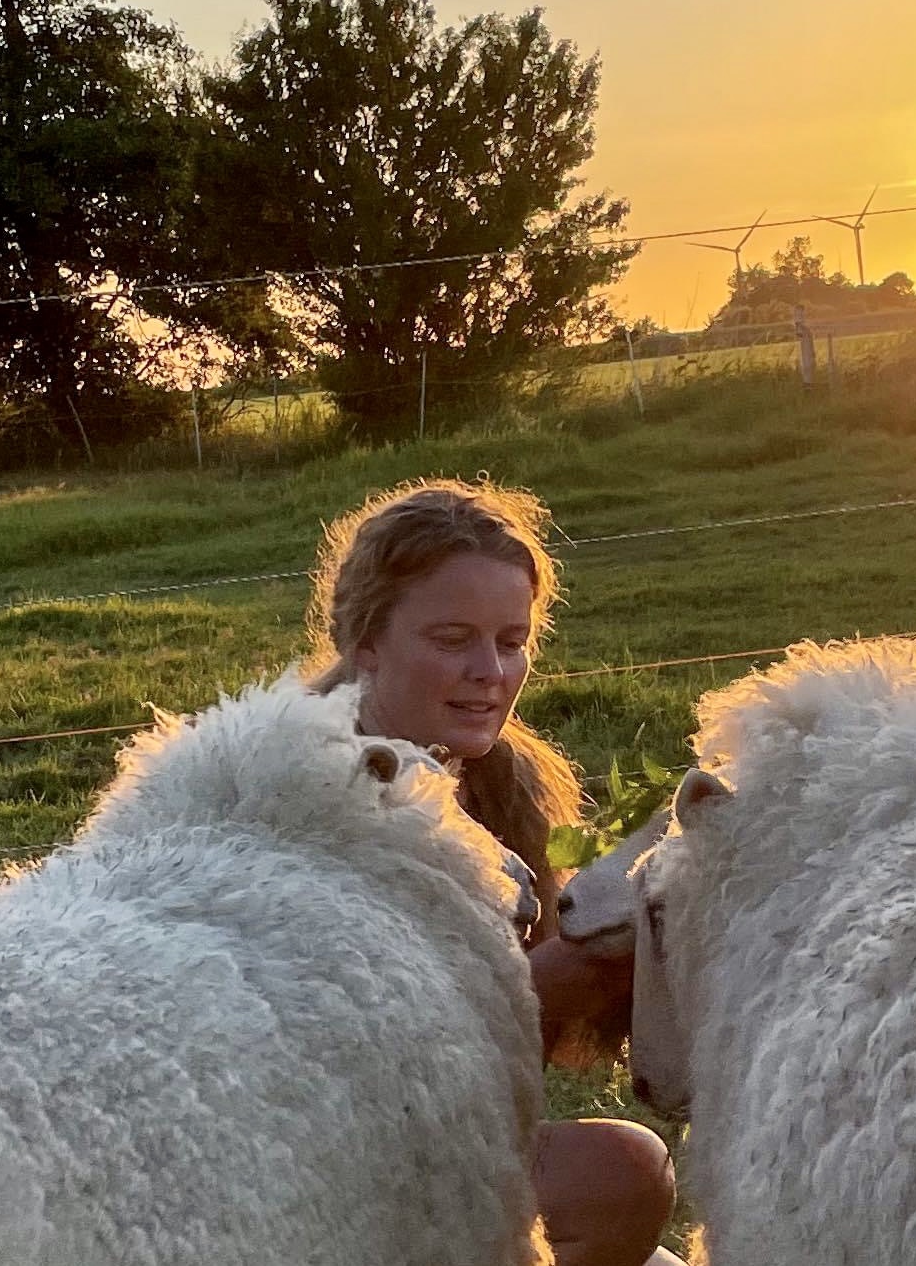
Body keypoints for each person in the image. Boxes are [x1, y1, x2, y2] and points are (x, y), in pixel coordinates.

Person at [302, 477, 681, 1266]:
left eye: (512, 641)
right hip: (317, 1171)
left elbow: (538, 1067)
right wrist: (565, 969)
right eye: (452, 639)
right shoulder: (310, 794)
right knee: (622, 1173)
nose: (491, 671)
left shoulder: (501, 778)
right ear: (364, 642)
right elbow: (375, 1081)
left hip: (443, 1147)